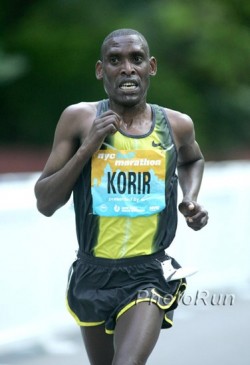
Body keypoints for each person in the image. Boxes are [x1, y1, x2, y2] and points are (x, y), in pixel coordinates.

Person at [35, 28, 208, 365]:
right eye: (115, 60)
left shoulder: (175, 124)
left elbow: (193, 158)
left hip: (149, 273)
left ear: (151, 67)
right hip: (93, 273)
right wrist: (88, 147)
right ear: (102, 70)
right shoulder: (79, 119)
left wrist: (191, 199)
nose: (127, 68)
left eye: (136, 59)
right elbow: (45, 202)